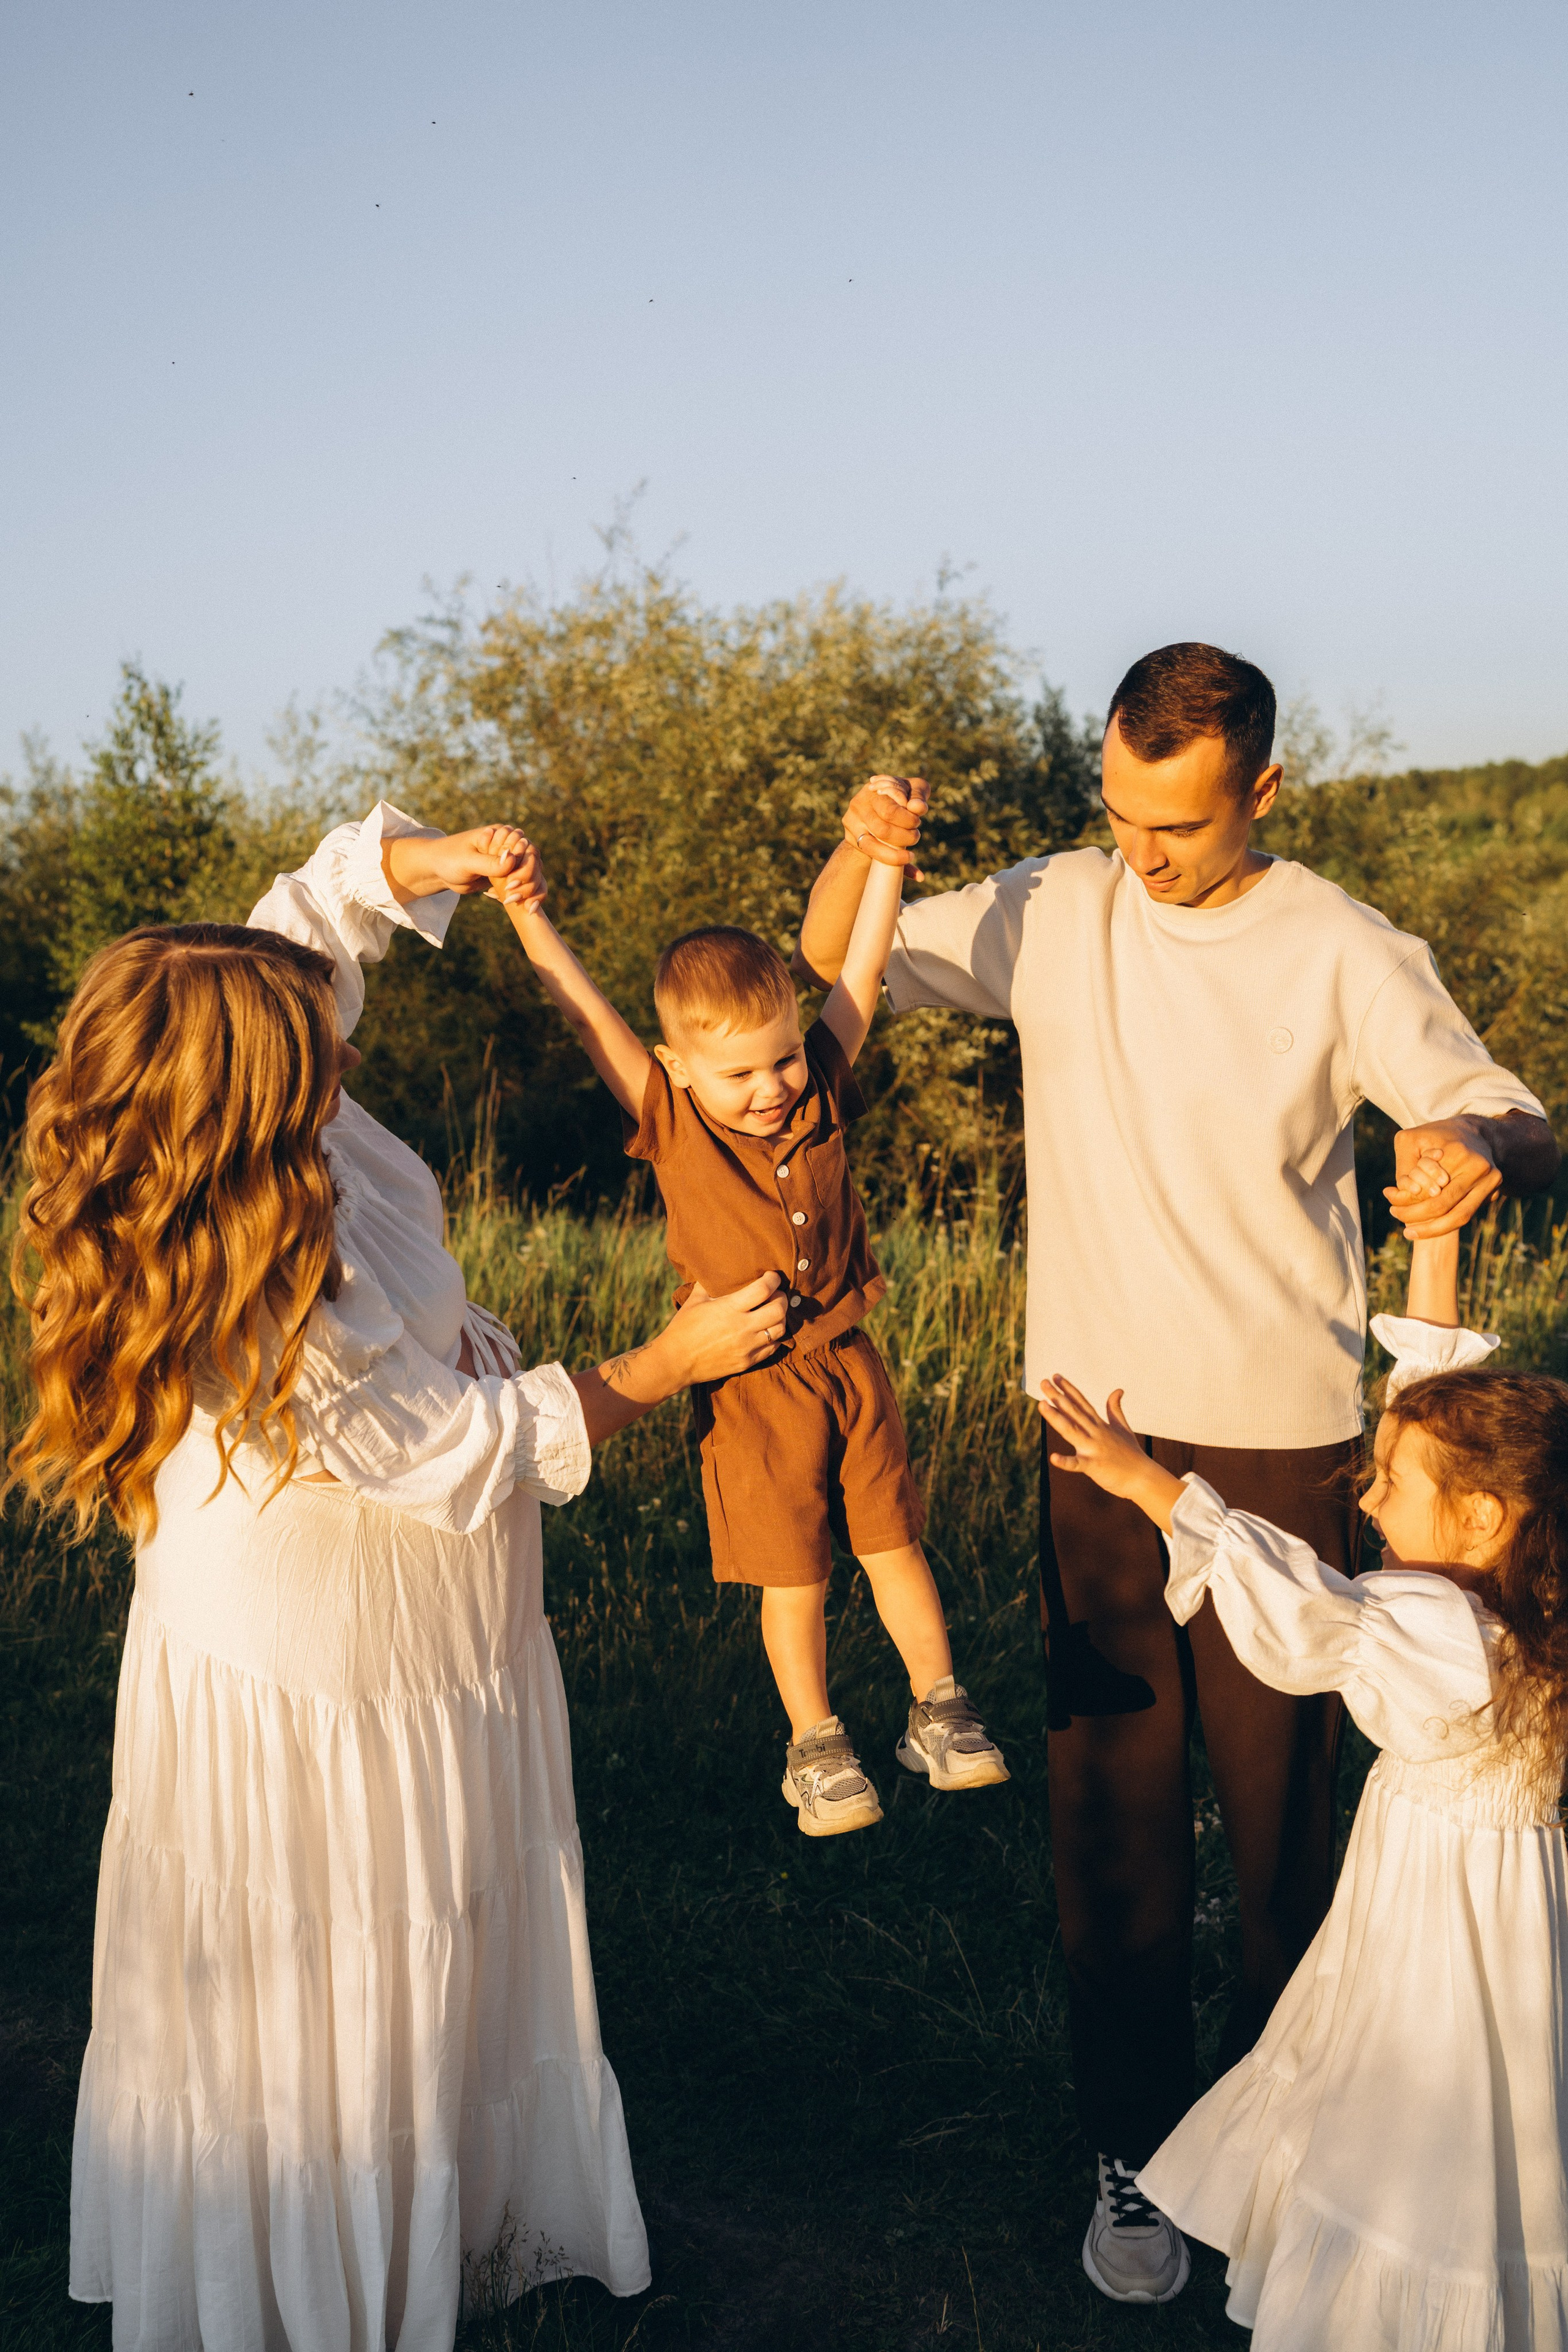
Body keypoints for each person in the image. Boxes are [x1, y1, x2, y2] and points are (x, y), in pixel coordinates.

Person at [793, 642, 1559, 2301]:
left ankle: (1291, 2156)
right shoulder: (1054, 904)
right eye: (1125, 818)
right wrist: (865, 849)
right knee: (1113, 1819)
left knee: (1285, 1835)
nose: (1147, 857)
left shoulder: (1350, 947)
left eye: (1186, 829)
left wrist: (1468, 1145)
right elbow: (829, 976)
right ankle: (1133, 2151)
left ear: (1264, 792)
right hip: (1096, 1440)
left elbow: (1509, 1111)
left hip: (1294, 1448)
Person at [8, 802, 789, 2348]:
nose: (347, 1055)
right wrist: (668, 1356)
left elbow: (312, 912)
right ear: (241, 1103)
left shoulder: (254, 1086)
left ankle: (462, 2212)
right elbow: (458, 1454)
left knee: (438, 1935)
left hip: (419, 1635)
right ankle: (320, 2276)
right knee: (334, 1961)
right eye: (317, 1056)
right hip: (326, 1675)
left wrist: (432, 864)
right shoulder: (274, 1302)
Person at [1037, 1198, 1568, 2348]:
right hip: (1510, 1918)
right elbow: (1421, 1405)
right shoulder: (1525, 1605)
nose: (1364, 1499)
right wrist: (1437, 1245)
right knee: (1501, 2106)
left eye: (1391, 1485)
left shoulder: (1434, 1625)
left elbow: (1303, 1606)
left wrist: (1145, 1485)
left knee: (1417, 2115)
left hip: (1434, 1930)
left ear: (1478, 1518)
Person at [493, 818, 1008, 1836]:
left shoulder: (816, 1088)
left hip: (852, 1366)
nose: (772, 1088)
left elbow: (859, 975)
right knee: (796, 1571)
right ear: (678, 1069)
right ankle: (814, 1744)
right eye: (741, 1074)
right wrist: (525, 913)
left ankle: (938, 1709)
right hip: (754, 1385)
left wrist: (888, 867)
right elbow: (585, 1013)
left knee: (895, 1540)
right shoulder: (673, 1118)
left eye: (781, 1062)